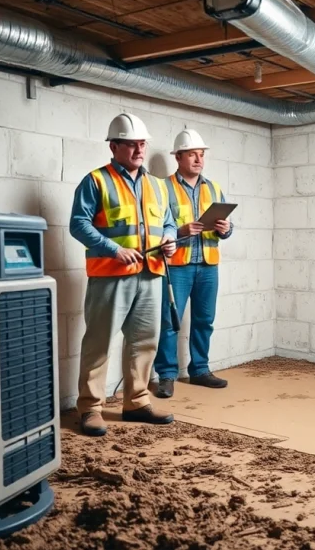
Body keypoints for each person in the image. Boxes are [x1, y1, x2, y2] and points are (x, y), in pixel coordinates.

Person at [69, 112, 179, 437]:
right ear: (113, 146)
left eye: (142, 144)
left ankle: (137, 402)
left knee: (145, 342)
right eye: (131, 145)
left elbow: (168, 222)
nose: (138, 150)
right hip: (111, 275)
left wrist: (169, 239)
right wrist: (113, 249)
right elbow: (78, 223)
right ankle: (90, 409)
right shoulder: (96, 180)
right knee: (99, 342)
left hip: (151, 272)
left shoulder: (158, 186)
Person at [150, 128, 233, 398]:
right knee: (169, 321)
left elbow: (229, 229)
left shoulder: (214, 187)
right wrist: (182, 232)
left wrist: (225, 228)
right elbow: (157, 226)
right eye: (192, 155)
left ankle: (200, 370)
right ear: (179, 157)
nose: (198, 159)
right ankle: (167, 375)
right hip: (177, 266)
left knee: (204, 320)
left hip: (208, 264)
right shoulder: (163, 188)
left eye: (201, 154)